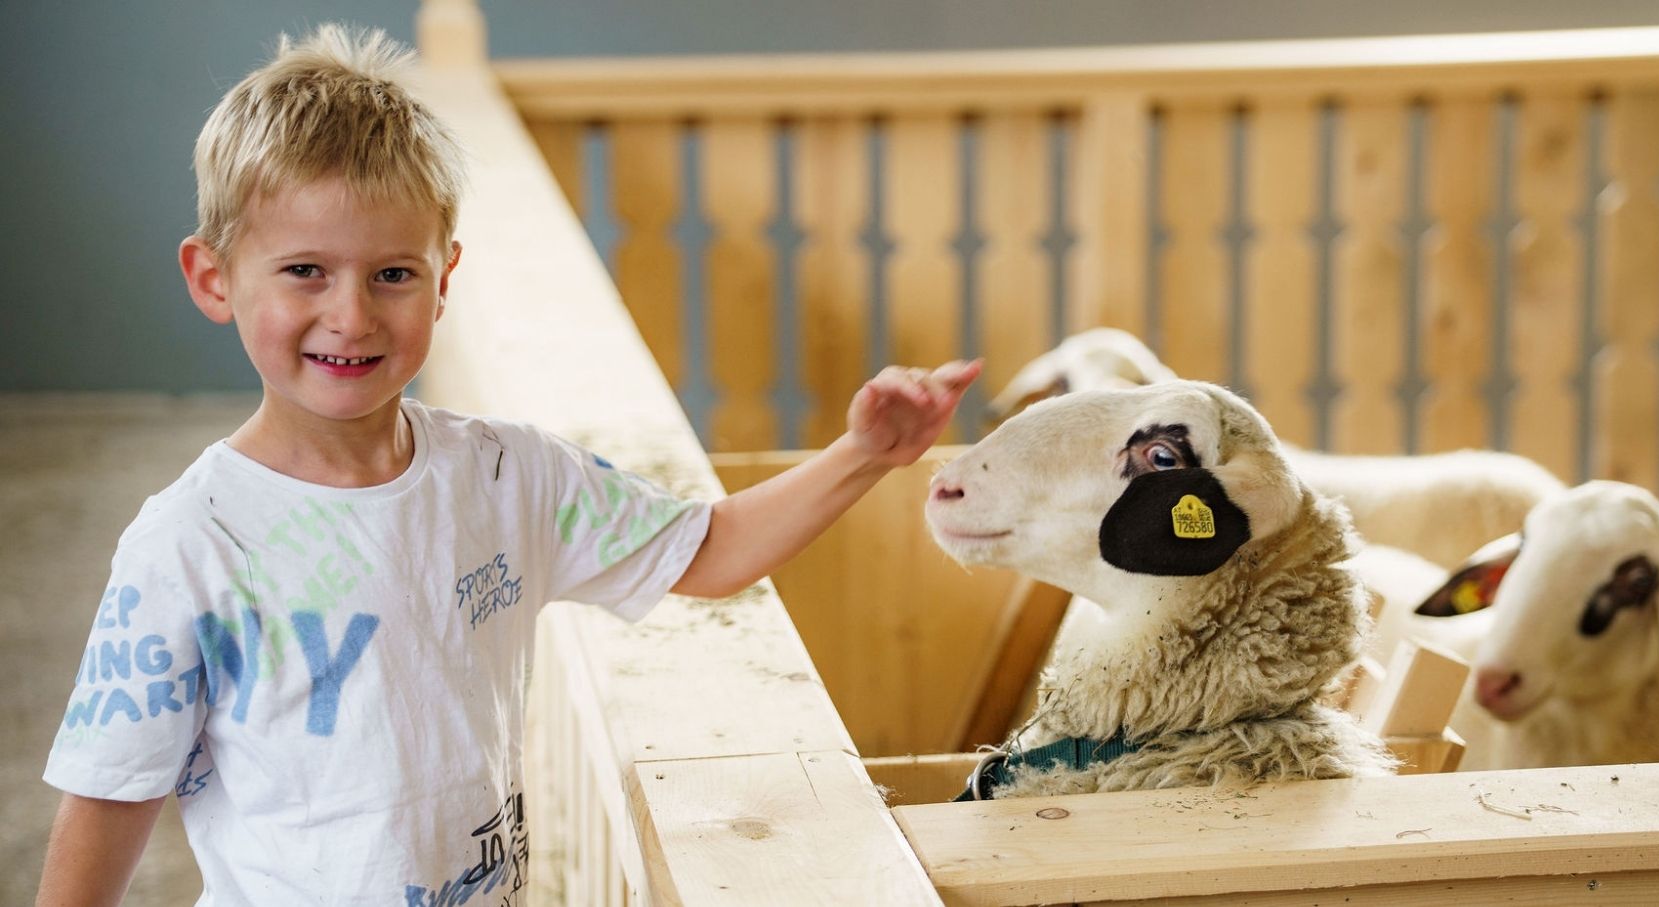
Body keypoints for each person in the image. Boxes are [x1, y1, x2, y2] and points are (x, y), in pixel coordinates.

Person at [35, 24, 980, 905]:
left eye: (392, 274)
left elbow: (714, 550)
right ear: (214, 278)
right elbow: (109, 797)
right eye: (305, 271)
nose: (352, 315)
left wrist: (866, 453)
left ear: (444, 279)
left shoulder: (508, 476)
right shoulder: (187, 544)